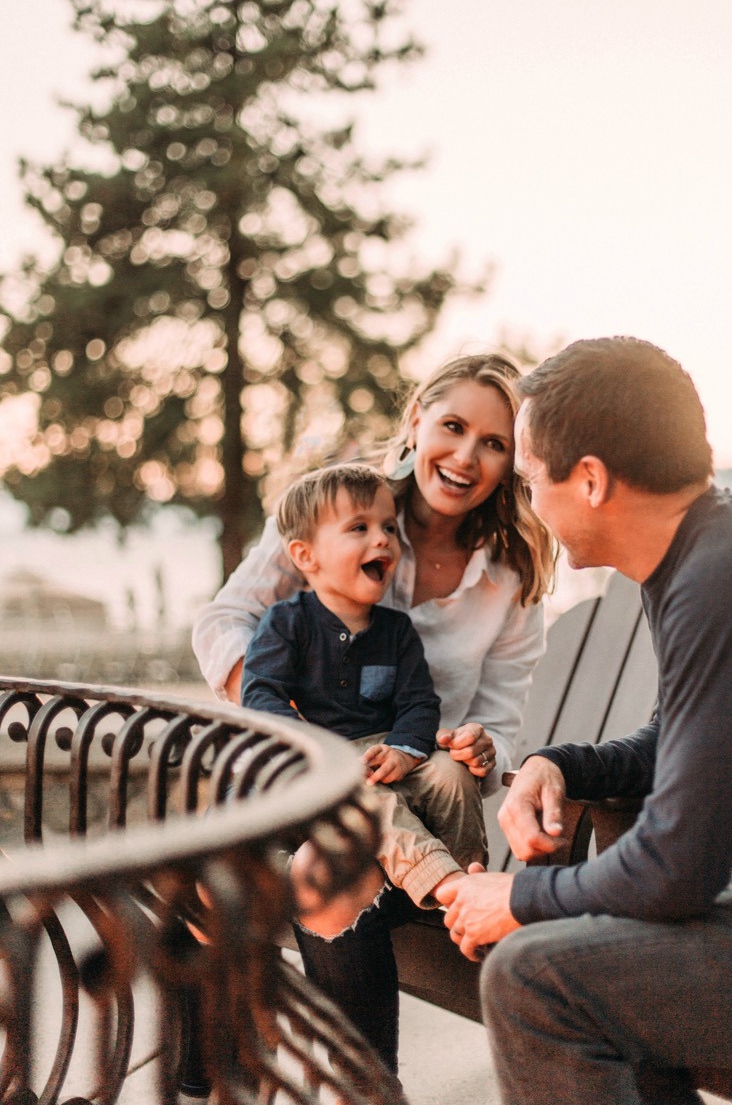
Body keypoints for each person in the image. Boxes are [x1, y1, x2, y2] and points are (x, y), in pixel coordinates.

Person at [438, 336, 732, 1105]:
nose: (528, 500)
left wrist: (515, 901)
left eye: (533, 478)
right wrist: (560, 766)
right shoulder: (716, 549)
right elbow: (681, 735)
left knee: (535, 976)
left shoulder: (726, 573)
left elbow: (678, 869)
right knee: (589, 962)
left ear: (591, 480)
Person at [192, 351, 555, 1076]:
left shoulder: (510, 574)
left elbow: (498, 718)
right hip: (311, 785)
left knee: (342, 853)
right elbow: (224, 620)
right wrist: (298, 734)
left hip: (421, 799)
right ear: (416, 417)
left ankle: (352, 1087)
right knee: (320, 863)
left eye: (494, 443)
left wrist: (482, 744)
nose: (465, 456)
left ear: (513, 461)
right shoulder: (334, 510)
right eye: (452, 426)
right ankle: (333, 1089)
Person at [241, 461, 488, 916]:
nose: (383, 539)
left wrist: (403, 749)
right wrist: (316, 749)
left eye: (389, 527)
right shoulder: (287, 622)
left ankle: (464, 883)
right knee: (370, 800)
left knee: (452, 774)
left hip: (388, 759)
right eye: (360, 527)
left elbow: (419, 703)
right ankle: (448, 887)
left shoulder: (397, 631)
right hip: (323, 773)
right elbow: (260, 694)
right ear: (306, 555)